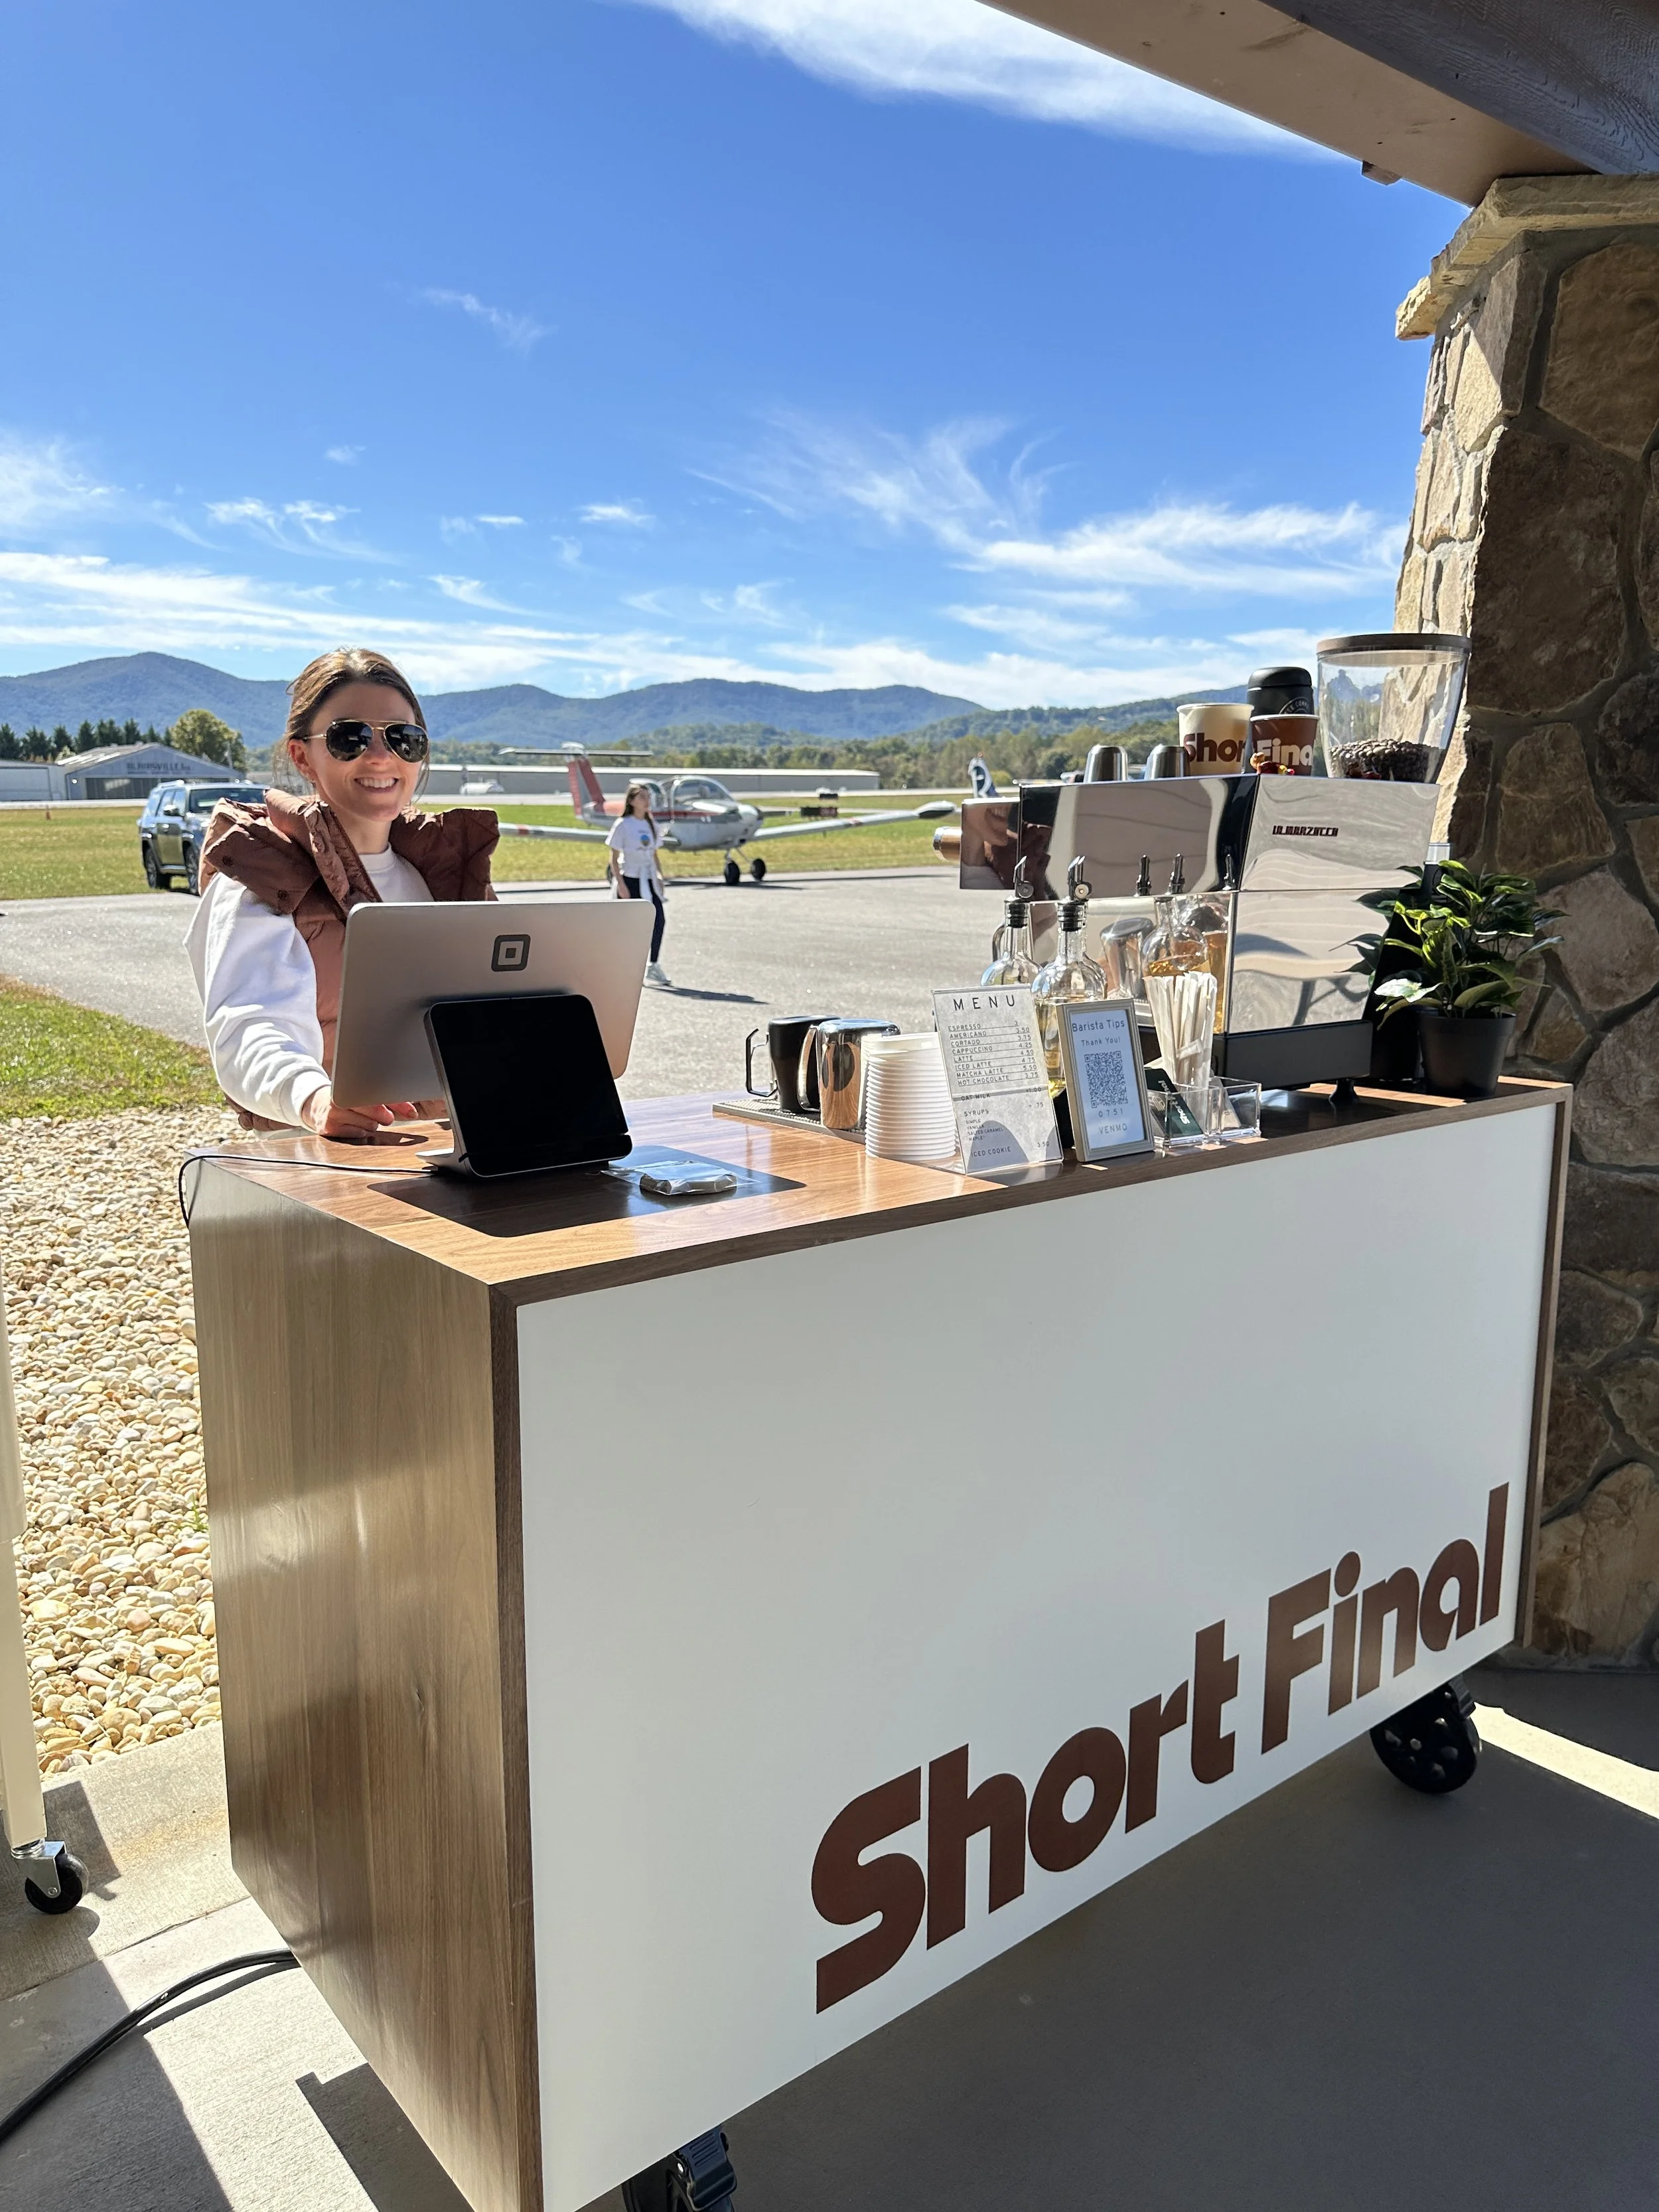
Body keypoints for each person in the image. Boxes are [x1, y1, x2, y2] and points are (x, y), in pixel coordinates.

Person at [184, 646, 498, 1137]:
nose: (380, 756)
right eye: (349, 737)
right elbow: (247, 1028)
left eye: (404, 738)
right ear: (301, 756)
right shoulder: (258, 878)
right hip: (326, 1162)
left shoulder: (442, 877)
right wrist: (313, 1100)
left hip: (449, 1152)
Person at [607, 780, 670, 986]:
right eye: (642, 797)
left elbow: (654, 854)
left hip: (649, 880)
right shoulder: (623, 825)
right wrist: (621, 884)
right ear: (632, 801)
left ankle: (653, 964)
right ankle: (627, 967)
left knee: (658, 920)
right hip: (631, 880)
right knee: (630, 927)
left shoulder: (651, 824)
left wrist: (659, 876)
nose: (647, 801)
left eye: (648, 797)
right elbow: (614, 857)